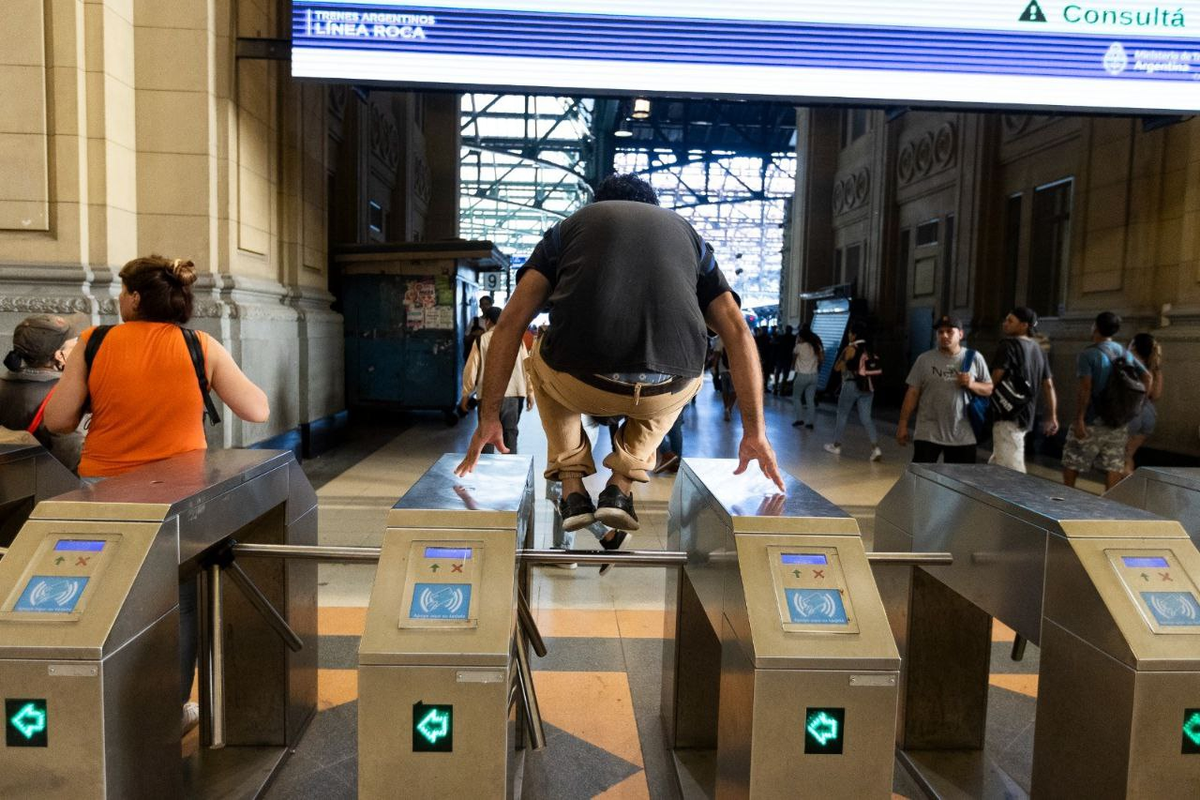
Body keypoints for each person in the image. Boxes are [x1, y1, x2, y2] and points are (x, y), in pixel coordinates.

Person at [454, 172, 785, 541]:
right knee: (689, 377)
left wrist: (488, 416)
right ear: (654, 207)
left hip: (580, 380)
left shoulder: (569, 229)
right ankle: (621, 485)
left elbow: (511, 323)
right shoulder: (690, 237)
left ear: (597, 203)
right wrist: (755, 431)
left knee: (540, 357)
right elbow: (738, 332)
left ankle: (572, 484)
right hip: (666, 388)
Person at [44, 255, 270, 735]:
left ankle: (104, 704)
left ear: (133, 297)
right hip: (179, 496)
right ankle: (172, 711)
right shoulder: (199, 345)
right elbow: (256, 409)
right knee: (183, 603)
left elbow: (58, 421)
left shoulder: (94, 341)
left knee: (106, 596)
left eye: (122, 292)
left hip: (105, 493)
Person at [1061, 312, 1151, 490]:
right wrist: (1138, 405)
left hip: (1092, 420)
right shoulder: (1124, 352)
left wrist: (1080, 419)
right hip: (1117, 421)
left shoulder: (1089, 354)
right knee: (1113, 466)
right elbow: (1147, 377)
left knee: (1073, 460)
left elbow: (1085, 388)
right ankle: (1110, 506)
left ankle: (1066, 499)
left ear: (1095, 326)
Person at [896, 315, 993, 464]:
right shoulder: (924, 359)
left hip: (962, 434)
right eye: (940, 332)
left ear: (960, 334)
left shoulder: (974, 358)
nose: (944, 335)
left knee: (960, 483)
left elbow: (989, 389)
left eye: (949, 331)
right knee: (923, 479)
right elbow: (912, 393)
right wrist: (902, 424)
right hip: (928, 433)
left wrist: (972, 384)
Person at [0, 313, 88, 471]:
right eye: (74, 343)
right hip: (51, 488)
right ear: (58, 356)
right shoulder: (64, 396)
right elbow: (75, 458)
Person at [988, 307, 1059, 473]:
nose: (1005, 324)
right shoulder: (1039, 351)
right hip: (1027, 413)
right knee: (1001, 456)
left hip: (1007, 412)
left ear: (1024, 325)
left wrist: (982, 391)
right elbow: (1048, 385)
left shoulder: (1007, 346)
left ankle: (1013, 497)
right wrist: (1052, 416)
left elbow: (996, 376)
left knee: (1012, 467)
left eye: (1010, 321)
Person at [460, 305, 533, 454]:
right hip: (513, 394)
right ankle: (510, 467)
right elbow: (527, 366)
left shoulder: (481, 340)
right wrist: (530, 392)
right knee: (510, 432)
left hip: (487, 395)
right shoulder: (516, 340)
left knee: (486, 433)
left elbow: (471, 369)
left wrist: (466, 394)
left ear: (487, 321)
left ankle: (488, 469)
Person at [824, 321, 883, 461]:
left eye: (850, 333)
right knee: (866, 418)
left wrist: (844, 360)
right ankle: (876, 448)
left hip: (851, 384)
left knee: (842, 414)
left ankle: (836, 445)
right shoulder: (870, 348)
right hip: (868, 386)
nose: (849, 335)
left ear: (854, 334)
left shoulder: (851, 348)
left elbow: (837, 367)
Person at [1124, 332, 1163, 475]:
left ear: (1133, 346)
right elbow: (1156, 395)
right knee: (1128, 457)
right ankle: (1128, 490)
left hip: (1131, 414)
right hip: (1149, 414)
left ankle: (1119, 493)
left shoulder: (1129, 365)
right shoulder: (1154, 368)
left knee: (1119, 459)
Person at [791, 325, 823, 430]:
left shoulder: (800, 346)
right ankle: (810, 422)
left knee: (796, 397)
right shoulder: (816, 346)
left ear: (802, 337)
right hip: (814, 375)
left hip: (802, 375)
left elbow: (794, 357)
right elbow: (822, 359)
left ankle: (800, 419)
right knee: (810, 399)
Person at [713, 335, 738, 422]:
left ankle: (726, 409)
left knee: (725, 390)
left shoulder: (720, 339)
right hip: (734, 369)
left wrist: (713, 366)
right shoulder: (736, 339)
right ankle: (729, 408)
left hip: (723, 368)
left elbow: (717, 354)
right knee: (734, 391)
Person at [771, 324, 796, 394]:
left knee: (777, 373)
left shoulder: (781, 337)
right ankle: (782, 389)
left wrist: (774, 358)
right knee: (785, 375)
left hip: (780, 358)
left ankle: (776, 388)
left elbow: (774, 345)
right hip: (788, 359)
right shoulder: (793, 338)